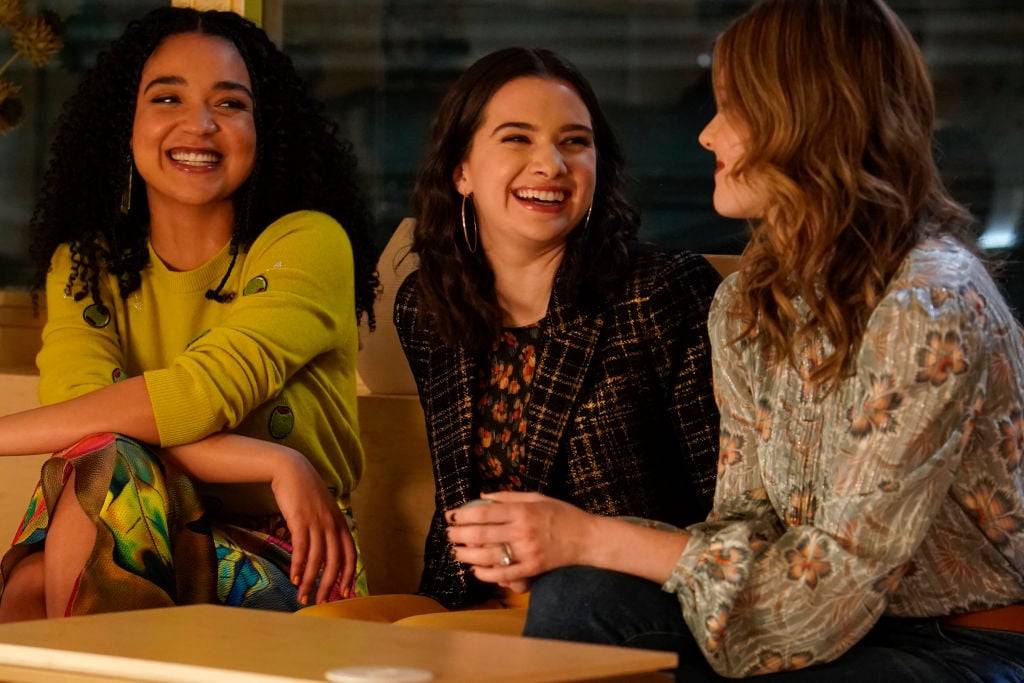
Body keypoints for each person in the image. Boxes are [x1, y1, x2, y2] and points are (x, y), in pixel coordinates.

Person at [447, 0, 1024, 679]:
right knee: (583, 594)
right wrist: (569, 548)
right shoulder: (748, 301)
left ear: (805, 118)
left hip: (958, 644)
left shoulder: (928, 301)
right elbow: (744, 526)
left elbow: (829, 593)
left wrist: (592, 535)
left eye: (732, 110)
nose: (707, 135)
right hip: (802, 618)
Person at [0, 6, 379, 621]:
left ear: (264, 128)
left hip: (290, 558)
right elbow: (86, 423)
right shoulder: (86, 265)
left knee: (91, 496)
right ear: (125, 123)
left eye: (230, 103)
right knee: (88, 491)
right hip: (121, 519)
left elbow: (200, 393)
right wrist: (274, 460)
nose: (199, 124)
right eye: (167, 98)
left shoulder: (308, 243)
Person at [389, 46, 721, 612]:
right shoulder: (427, 306)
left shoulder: (661, 292)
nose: (551, 165)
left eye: (574, 142)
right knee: (323, 630)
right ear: (461, 170)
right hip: (472, 597)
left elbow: (725, 514)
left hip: (616, 608)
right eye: (517, 138)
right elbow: (458, 499)